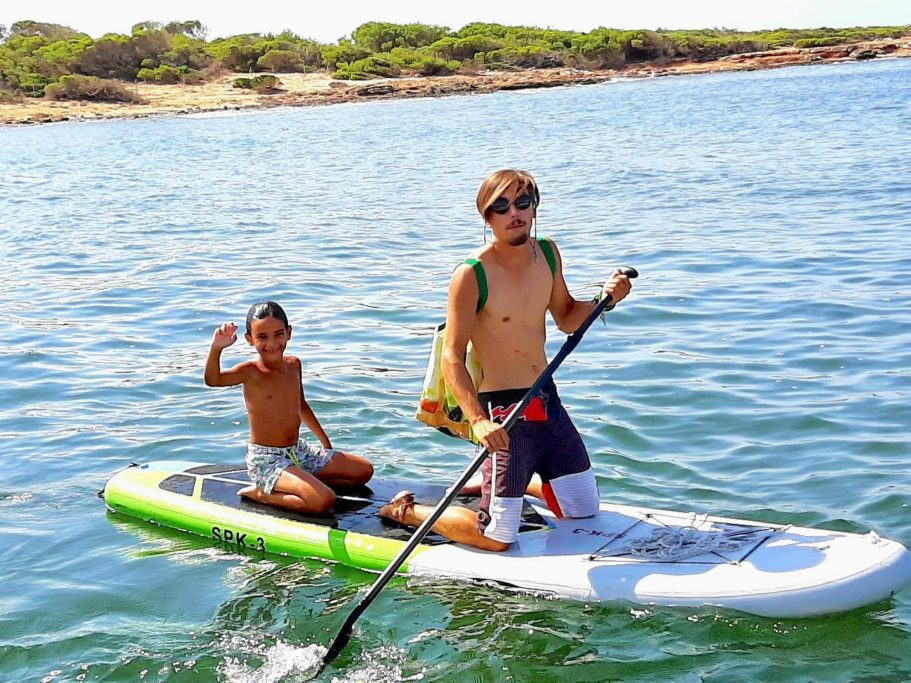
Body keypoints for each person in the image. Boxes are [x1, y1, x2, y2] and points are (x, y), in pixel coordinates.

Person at [380, 169, 632, 550]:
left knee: (584, 509)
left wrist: (604, 301)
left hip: (546, 399)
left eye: (522, 202)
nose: (513, 213)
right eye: (501, 206)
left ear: (534, 207)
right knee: (496, 537)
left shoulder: (547, 253)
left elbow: (566, 316)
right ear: (487, 217)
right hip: (503, 413)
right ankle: (408, 510)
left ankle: (512, 480)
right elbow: (452, 355)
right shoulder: (471, 274)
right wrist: (478, 421)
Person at [204, 301, 373, 514]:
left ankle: (300, 480)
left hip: (298, 452)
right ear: (249, 339)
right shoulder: (250, 372)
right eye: (262, 337)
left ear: (289, 333)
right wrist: (216, 348)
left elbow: (301, 406)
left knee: (363, 471)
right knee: (323, 500)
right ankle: (262, 493)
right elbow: (213, 380)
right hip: (268, 460)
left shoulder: (294, 365)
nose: (272, 343)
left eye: (278, 334)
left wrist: (325, 443)